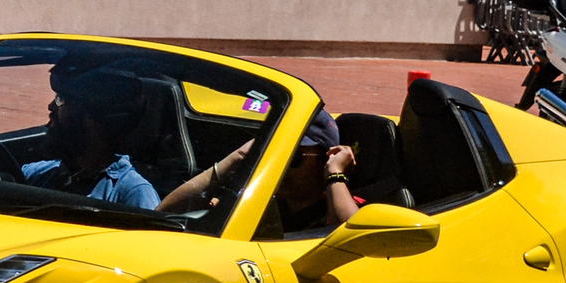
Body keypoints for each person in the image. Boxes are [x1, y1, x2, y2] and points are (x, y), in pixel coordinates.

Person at [161, 110, 361, 234]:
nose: (280, 166)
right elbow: (165, 213)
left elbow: (351, 240)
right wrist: (239, 156)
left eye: (293, 158)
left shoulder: (345, 206)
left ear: (325, 161)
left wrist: (335, 174)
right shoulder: (259, 202)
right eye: (277, 155)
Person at [19, 65, 161, 211]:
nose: (51, 107)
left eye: (61, 100)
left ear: (93, 119)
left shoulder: (131, 193)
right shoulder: (38, 174)